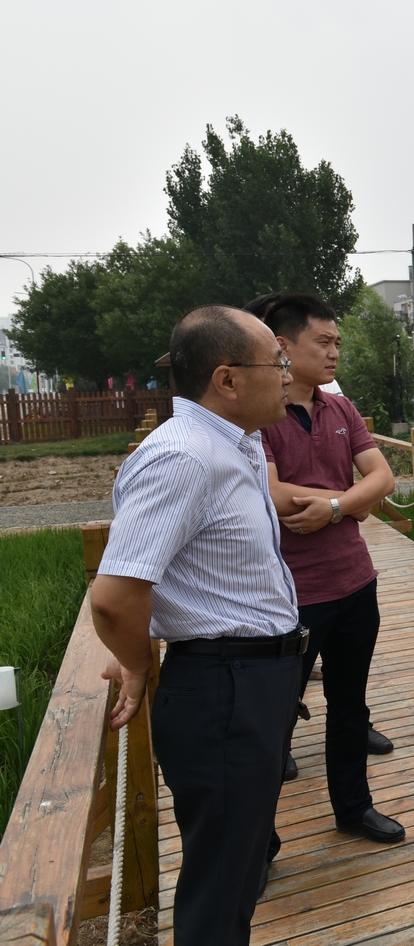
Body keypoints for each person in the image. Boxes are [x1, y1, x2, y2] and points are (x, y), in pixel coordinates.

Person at [91, 305, 305, 945]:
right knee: (219, 889)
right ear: (227, 379)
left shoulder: (232, 445)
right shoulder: (184, 457)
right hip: (224, 689)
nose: (289, 375)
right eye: (278, 363)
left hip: (250, 681)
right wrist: (138, 662)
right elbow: (115, 595)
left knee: (236, 874)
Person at [256, 293, 404, 845]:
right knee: (272, 719)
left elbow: (383, 479)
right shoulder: (261, 416)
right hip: (292, 594)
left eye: (337, 342)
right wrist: (351, 499)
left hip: (355, 582)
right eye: (323, 342)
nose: (334, 352)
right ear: (283, 346)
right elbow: (272, 495)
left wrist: (336, 507)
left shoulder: (341, 409)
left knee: (349, 705)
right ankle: (259, 841)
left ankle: (354, 808)